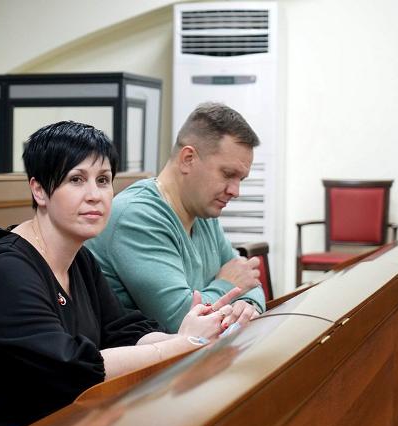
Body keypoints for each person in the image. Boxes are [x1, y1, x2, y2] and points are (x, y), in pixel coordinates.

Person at [0, 121, 239, 426]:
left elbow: (124, 330)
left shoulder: (79, 259)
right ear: (39, 190)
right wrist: (183, 344)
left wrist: (190, 334)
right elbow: (71, 369)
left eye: (103, 180)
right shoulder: (1, 273)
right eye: (76, 180)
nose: (94, 196)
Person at [85, 102, 266, 333]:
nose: (235, 191)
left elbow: (249, 280)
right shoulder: (137, 216)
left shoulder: (203, 211)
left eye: (241, 179)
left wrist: (247, 304)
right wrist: (228, 284)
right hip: (147, 354)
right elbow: (182, 321)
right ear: (188, 159)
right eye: (228, 174)